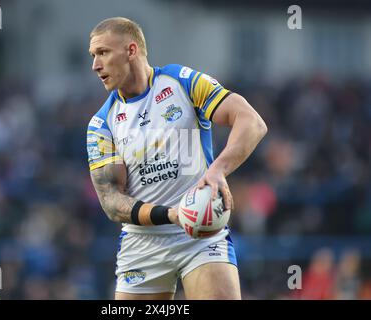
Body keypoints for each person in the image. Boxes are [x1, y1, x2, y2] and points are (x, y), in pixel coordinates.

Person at [86, 17, 267, 300]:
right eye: (93, 56)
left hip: (201, 235)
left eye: (103, 53)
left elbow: (252, 122)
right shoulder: (102, 124)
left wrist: (218, 170)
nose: (95, 65)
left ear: (131, 50)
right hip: (142, 243)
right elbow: (111, 202)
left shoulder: (181, 82)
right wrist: (170, 214)